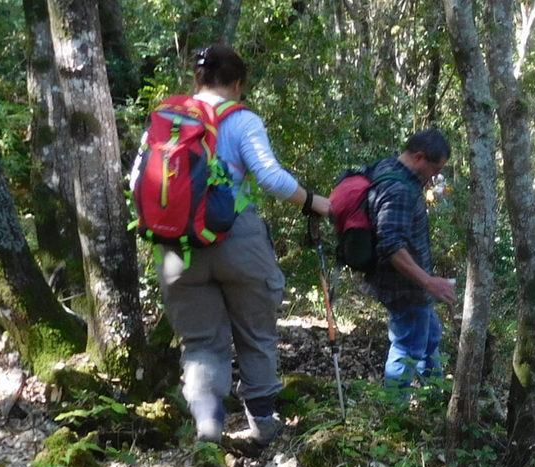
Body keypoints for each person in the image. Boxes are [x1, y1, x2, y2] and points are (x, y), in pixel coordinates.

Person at [132, 45, 331, 445]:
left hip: (178, 247)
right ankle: (263, 426)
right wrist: (316, 202)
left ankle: (208, 427)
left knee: (201, 340)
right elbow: (271, 178)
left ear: (196, 79)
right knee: (255, 333)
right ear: (238, 84)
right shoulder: (242, 121)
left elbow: (137, 177)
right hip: (237, 238)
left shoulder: (166, 120)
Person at [362, 130, 457, 388]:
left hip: (409, 285)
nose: (434, 177)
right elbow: (391, 245)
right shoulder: (399, 189)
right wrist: (428, 282)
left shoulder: (387, 167)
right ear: (419, 157)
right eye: (434, 169)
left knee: (429, 338)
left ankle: (435, 396)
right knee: (407, 349)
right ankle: (394, 416)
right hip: (404, 287)